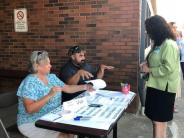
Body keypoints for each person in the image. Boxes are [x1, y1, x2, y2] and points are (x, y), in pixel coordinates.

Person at [17, 51, 93, 138]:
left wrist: (85, 87)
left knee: (75, 130)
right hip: (32, 122)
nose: (50, 65)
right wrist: (49, 95)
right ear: (37, 66)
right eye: (47, 64)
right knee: (65, 136)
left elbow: (67, 88)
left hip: (52, 118)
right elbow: (30, 109)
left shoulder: (51, 77)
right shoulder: (30, 82)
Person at [140, 15, 180, 138]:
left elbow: (168, 68)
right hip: (155, 86)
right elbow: (158, 61)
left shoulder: (169, 44)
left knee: (159, 122)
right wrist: (147, 64)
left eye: (148, 29)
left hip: (164, 89)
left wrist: (149, 69)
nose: (147, 32)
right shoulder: (159, 44)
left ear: (156, 29)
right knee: (155, 121)